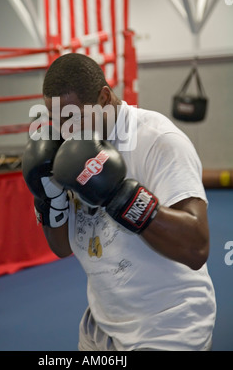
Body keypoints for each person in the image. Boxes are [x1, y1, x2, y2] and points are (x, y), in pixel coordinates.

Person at [22, 52, 216, 352]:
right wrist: (48, 200)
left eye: (75, 119)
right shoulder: (67, 149)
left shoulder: (158, 140)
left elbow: (196, 248)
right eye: (57, 120)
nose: (65, 130)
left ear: (104, 98)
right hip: (101, 326)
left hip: (169, 325)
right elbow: (61, 248)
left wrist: (121, 196)